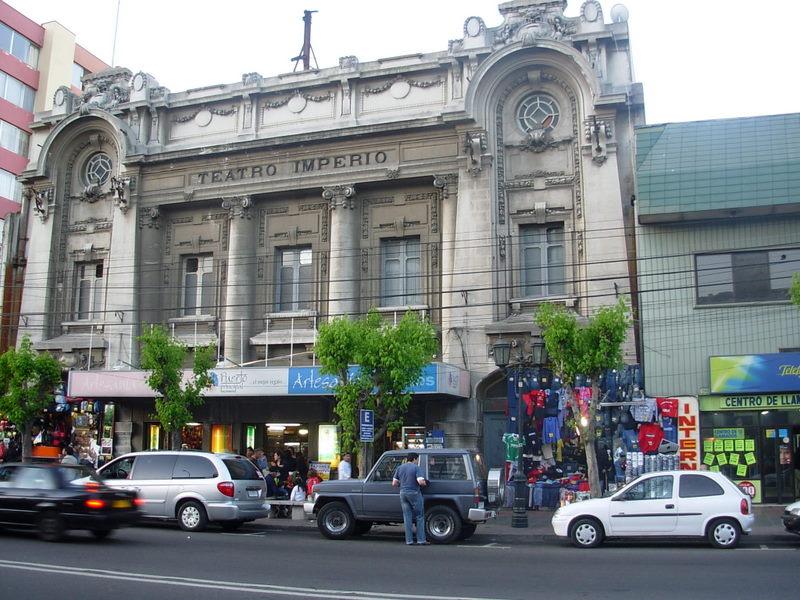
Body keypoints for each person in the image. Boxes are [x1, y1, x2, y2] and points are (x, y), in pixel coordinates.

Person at [392, 452, 428, 545]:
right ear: (415, 459)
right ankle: (421, 540)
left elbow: (394, 483)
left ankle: (409, 540)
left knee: (407, 517)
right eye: (417, 459)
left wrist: (403, 484)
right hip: (414, 493)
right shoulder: (416, 468)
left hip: (403, 493)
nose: (417, 461)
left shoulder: (400, 468)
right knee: (419, 516)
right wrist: (425, 483)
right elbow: (420, 482)